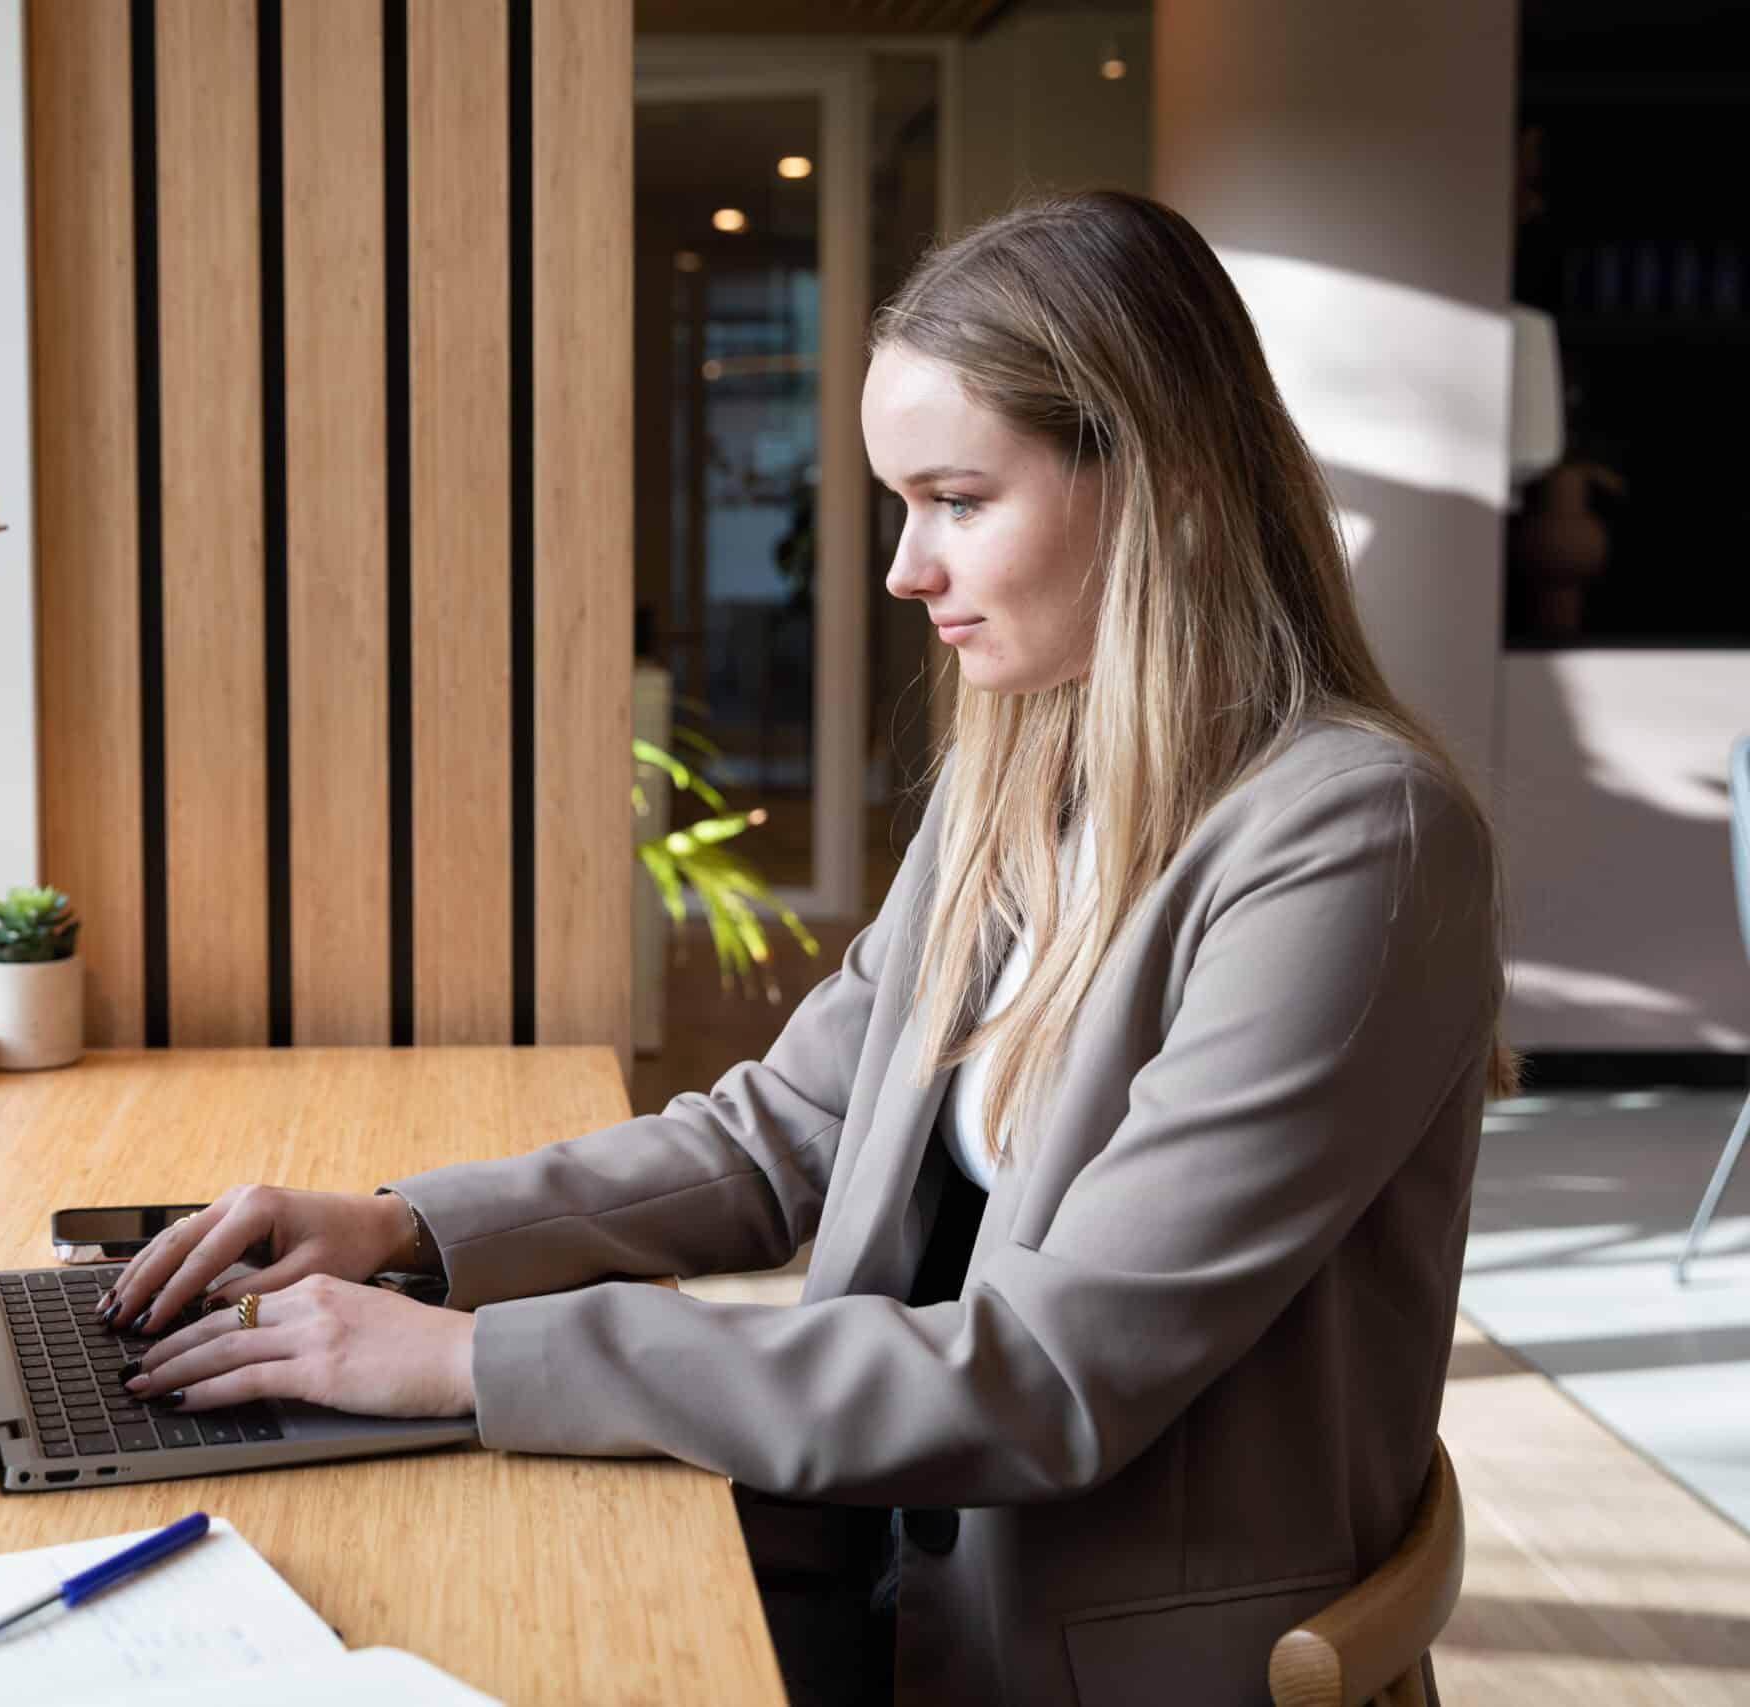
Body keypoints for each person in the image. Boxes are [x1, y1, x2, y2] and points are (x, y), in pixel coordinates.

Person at [103, 189, 1521, 1707]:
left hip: (1073, 1665)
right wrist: (404, 1232)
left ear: (1165, 482)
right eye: (901, 505)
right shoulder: (1028, 772)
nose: (907, 569)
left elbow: (1047, 1380)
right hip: (882, 1568)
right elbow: (784, 1132)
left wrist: (467, 1362)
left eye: (959, 500)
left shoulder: (1354, 844)